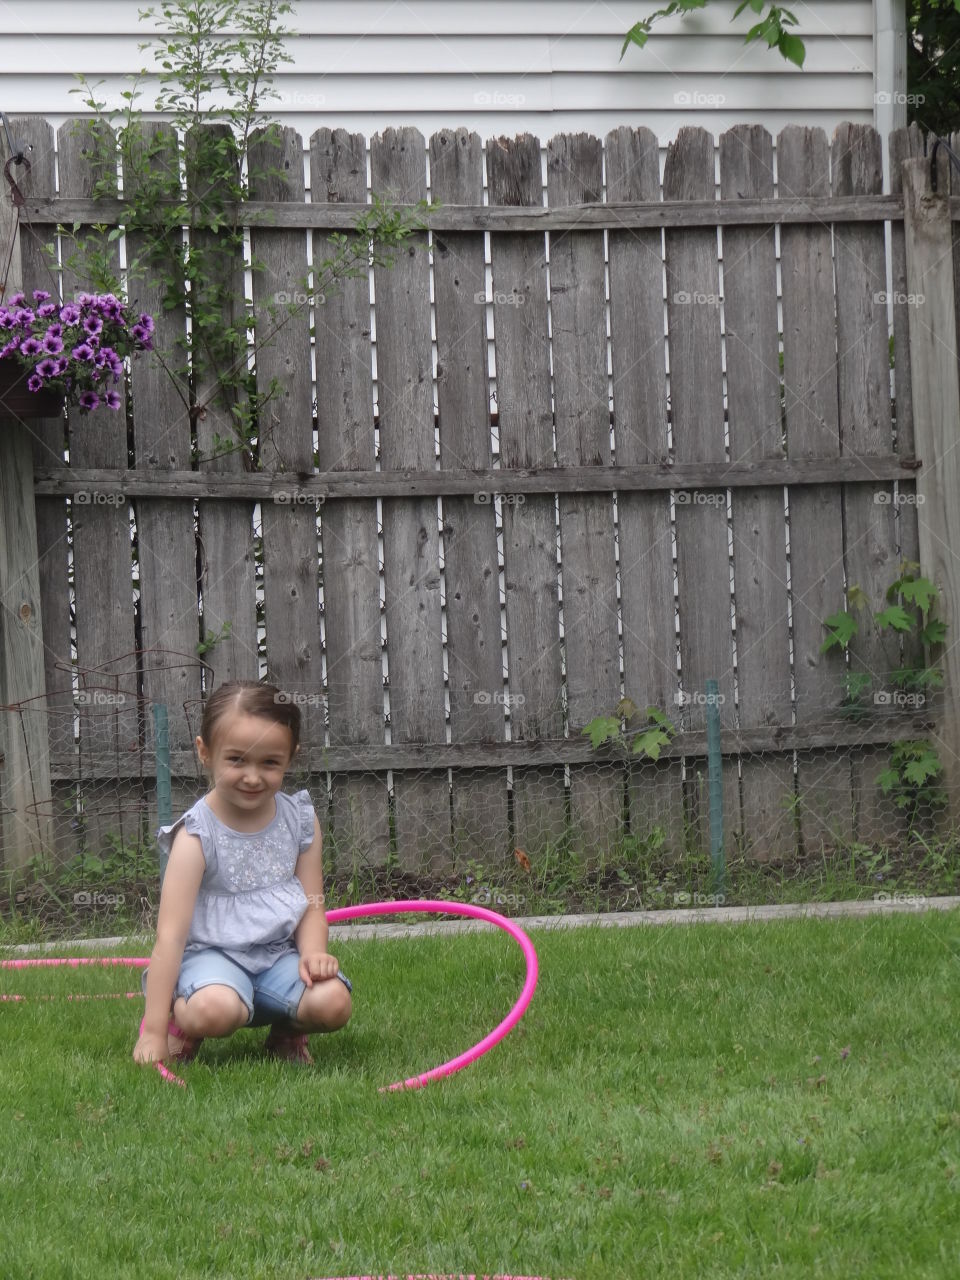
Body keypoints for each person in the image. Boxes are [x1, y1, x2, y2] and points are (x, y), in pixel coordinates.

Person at [133, 680, 352, 1068]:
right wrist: (152, 1033)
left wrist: (314, 952)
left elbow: (313, 904)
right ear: (205, 752)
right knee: (214, 1010)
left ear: (290, 757)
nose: (253, 776)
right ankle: (185, 1026)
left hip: (275, 957)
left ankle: (285, 1033)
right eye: (237, 760)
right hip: (210, 957)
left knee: (334, 1002)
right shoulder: (196, 836)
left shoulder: (299, 820)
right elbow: (170, 936)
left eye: (270, 762)